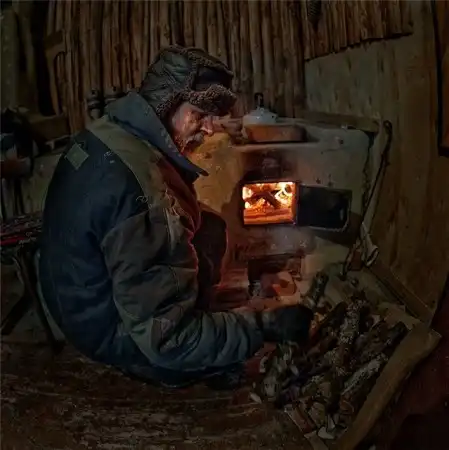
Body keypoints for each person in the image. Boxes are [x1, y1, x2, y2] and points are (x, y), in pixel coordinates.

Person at [38, 45, 313, 389]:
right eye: (199, 114)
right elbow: (167, 339)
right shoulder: (144, 193)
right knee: (186, 348)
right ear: (166, 104)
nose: (210, 129)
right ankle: (168, 362)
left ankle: (195, 320)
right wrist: (261, 327)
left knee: (209, 227)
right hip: (106, 328)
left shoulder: (112, 129)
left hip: (72, 298)